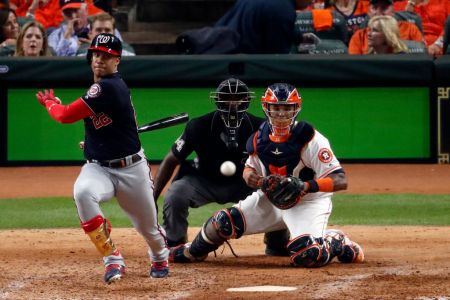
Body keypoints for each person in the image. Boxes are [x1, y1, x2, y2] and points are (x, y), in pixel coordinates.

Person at [169, 83, 365, 269]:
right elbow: (249, 170)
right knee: (222, 222)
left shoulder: (311, 138)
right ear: (266, 107)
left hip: (308, 203)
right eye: (276, 107)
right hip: (271, 200)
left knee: (307, 254)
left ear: (296, 108)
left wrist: (304, 186)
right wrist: (258, 180)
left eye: (287, 108)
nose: (281, 113)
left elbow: (341, 180)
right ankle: (191, 251)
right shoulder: (258, 138)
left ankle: (335, 240)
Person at [35, 33, 170, 283]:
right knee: (83, 192)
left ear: (117, 60)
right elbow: (105, 122)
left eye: (106, 56)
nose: (99, 59)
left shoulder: (108, 86)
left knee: (148, 229)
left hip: (132, 170)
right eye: (96, 54)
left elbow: (64, 115)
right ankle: (112, 259)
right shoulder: (99, 88)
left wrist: (52, 104)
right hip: (99, 167)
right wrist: (95, 142)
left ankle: (160, 254)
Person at [153, 78, 290, 256]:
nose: (233, 104)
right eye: (227, 98)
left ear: (246, 100)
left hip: (246, 183)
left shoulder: (261, 128)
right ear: (218, 100)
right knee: (177, 193)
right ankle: (175, 244)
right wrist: (152, 196)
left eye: (238, 98)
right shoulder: (198, 125)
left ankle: (276, 243)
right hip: (205, 181)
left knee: (276, 192)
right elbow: (172, 159)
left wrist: (273, 183)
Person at [214, 0, 297, 54]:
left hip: (219, 49)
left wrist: (299, 37)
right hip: (236, 62)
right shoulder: (283, 8)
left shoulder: (280, 5)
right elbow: (279, 54)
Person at [348, 0, 423, 54]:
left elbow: (421, 57)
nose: (379, 12)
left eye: (384, 8)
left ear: (393, 10)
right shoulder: (359, 36)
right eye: (374, 8)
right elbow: (354, 65)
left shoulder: (410, 29)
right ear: (368, 12)